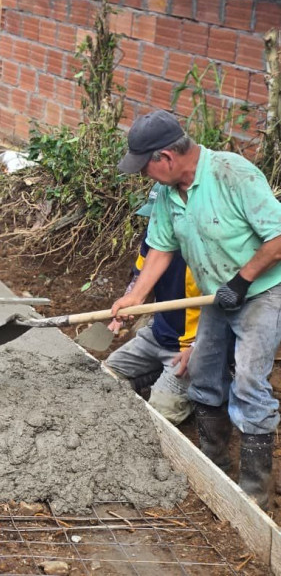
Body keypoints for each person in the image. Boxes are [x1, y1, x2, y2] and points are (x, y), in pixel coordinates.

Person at [112, 109, 281, 509]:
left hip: (262, 293)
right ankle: (213, 468)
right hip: (215, 297)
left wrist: (241, 282)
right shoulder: (169, 195)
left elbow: (278, 238)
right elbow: (161, 247)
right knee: (204, 379)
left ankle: (255, 496)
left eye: (145, 168)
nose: (144, 176)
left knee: (249, 384)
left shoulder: (231, 173)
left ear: (165, 158)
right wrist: (136, 298)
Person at [104, 183, 201, 425]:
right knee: (106, 375)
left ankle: (201, 389)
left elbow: (229, 310)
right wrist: (127, 310)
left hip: (191, 345)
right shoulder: (152, 239)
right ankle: (158, 371)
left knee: (159, 416)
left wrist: (201, 347)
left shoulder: (208, 250)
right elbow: (140, 280)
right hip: (157, 334)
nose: (156, 223)